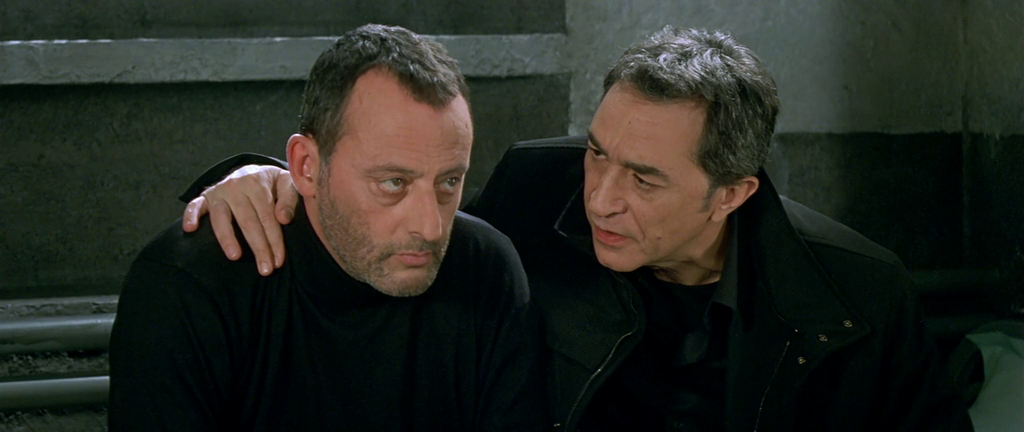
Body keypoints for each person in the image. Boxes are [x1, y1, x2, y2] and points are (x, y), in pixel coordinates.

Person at [181, 27, 975, 431]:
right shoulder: (538, 188)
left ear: (732, 193)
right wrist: (262, 178)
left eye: (644, 178)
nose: (601, 198)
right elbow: (399, 240)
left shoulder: (857, 296)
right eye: (599, 153)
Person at [109, 24, 546, 431]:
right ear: (306, 167)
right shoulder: (188, 286)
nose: (430, 228)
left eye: (449, 182)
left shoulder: (486, 269)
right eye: (393, 183)